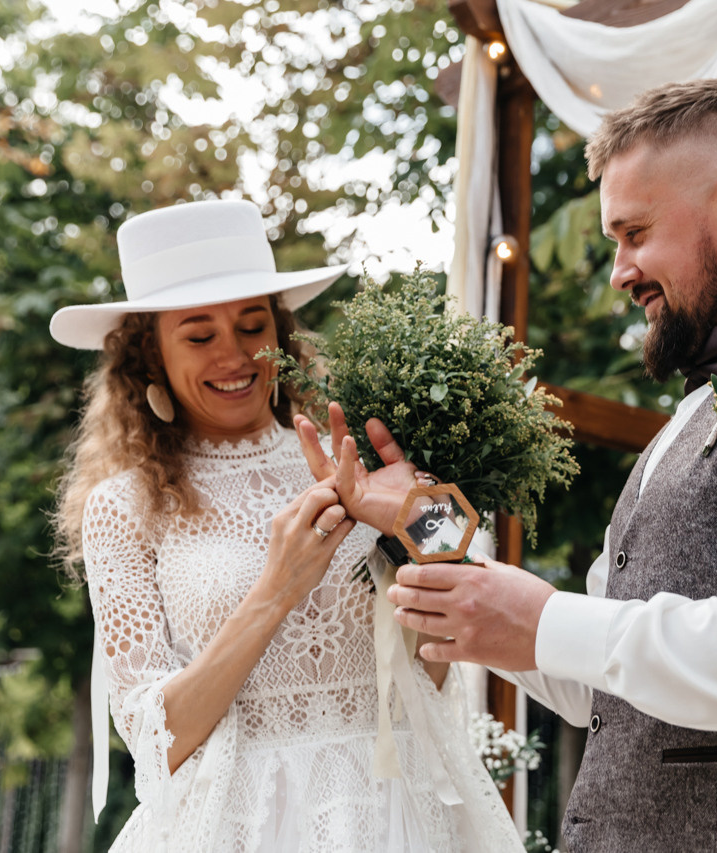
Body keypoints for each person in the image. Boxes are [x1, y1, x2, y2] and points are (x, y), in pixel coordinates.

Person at [302, 80, 717, 853]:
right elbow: (602, 680)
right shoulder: (689, 416)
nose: (620, 270)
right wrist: (423, 519)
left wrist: (547, 619)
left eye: (634, 232)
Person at [51, 199, 521, 852]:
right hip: (235, 825)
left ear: (282, 331)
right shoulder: (124, 507)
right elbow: (156, 739)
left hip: (394, 812)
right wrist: (277, 588)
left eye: (252, 325)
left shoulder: (351, 454)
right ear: (149, 356)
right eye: (198, 335)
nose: (234, 355)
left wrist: (414, 513)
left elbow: (475, 595)